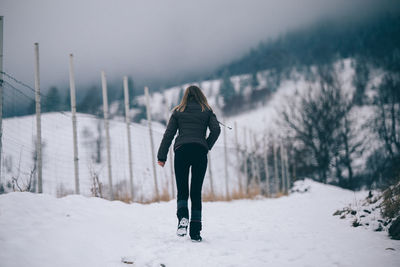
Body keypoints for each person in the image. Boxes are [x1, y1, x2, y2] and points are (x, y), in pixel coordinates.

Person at [157, 85, 221, 242]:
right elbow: (216, 130)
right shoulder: (207, 110)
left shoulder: (178, 111)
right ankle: (195, 231)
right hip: (200, 152)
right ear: (201, 96)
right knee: (196, 191)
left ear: (185, 96)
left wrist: (162, 156)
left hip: (182, 151)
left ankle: (183, 217)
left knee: (182, 188)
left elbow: (169, 135)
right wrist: (206, 145)